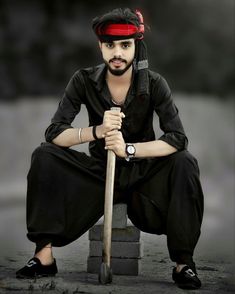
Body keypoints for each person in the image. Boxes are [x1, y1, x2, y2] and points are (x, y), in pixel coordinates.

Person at [16, 7, 204, 290]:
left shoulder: (154, 84)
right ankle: (43, 257)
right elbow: (54, 133)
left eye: (125, 45)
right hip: (99, 173)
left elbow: (177, 139)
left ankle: (183, 263)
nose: (117, 52)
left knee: (185, 162)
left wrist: (128, 149)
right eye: (110, 45)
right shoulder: (83, 80)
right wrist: (97, 132)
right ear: (100, 46)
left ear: (135, 46)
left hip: (144, 175)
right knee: (44, 155)